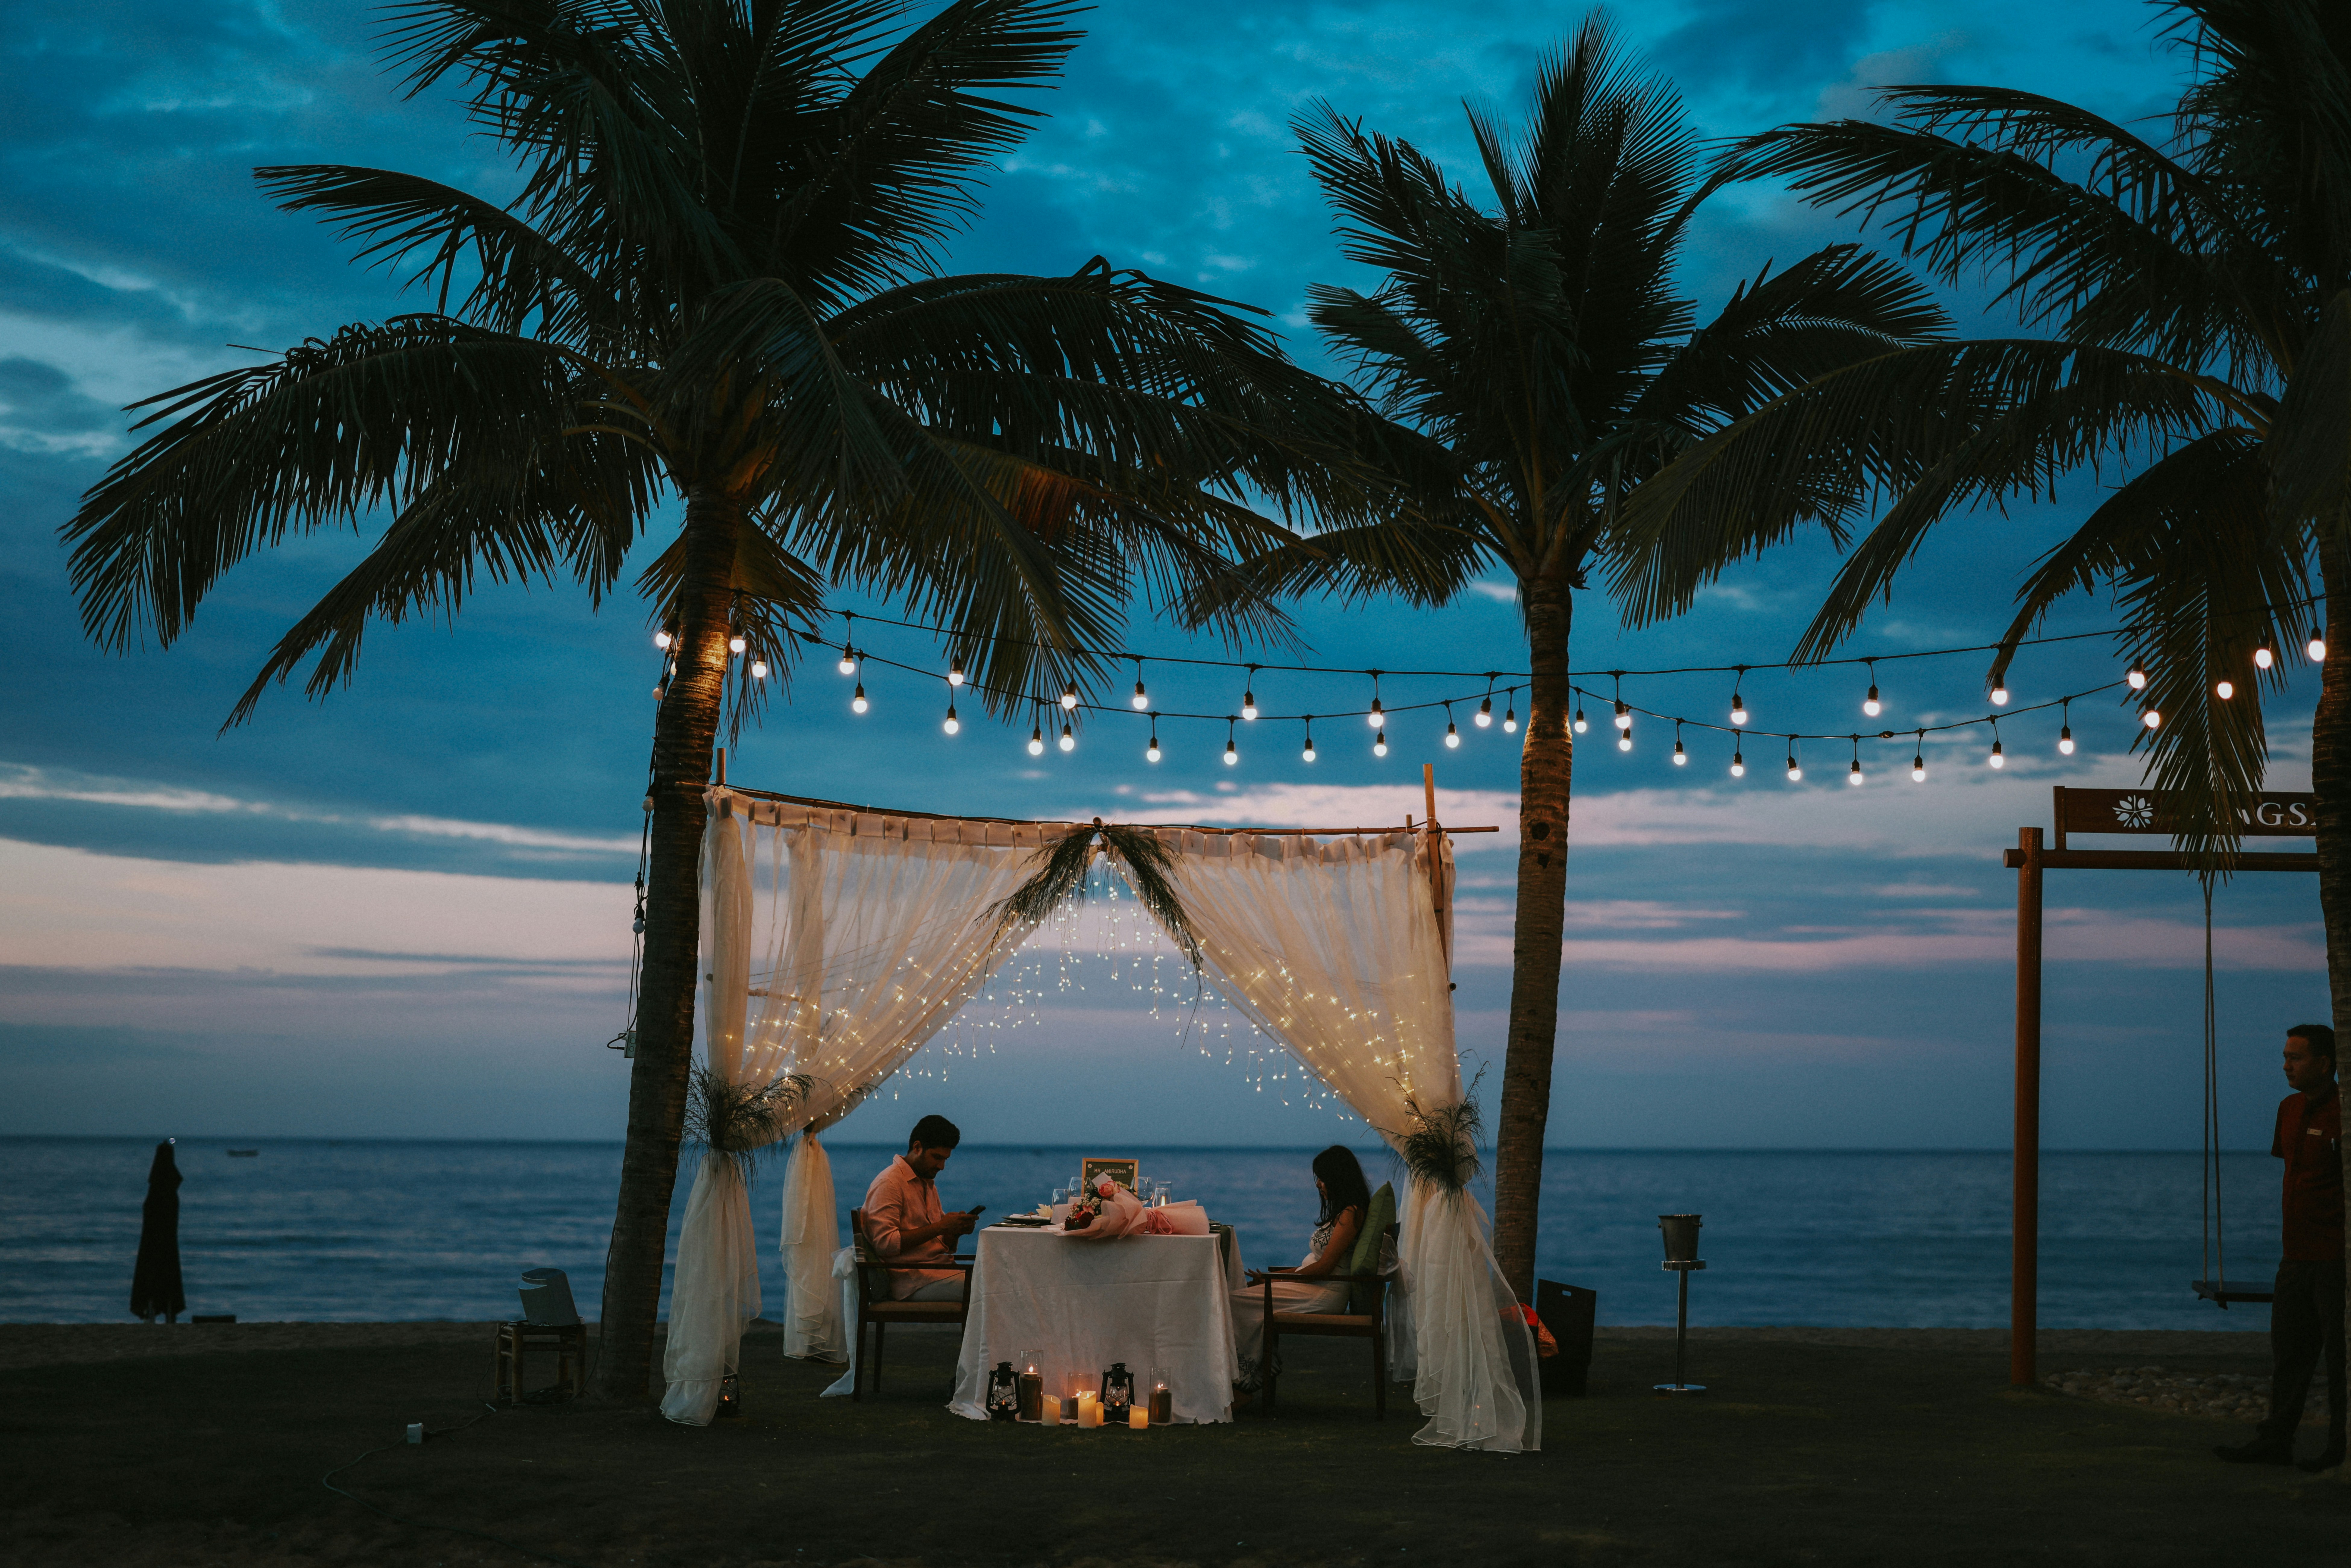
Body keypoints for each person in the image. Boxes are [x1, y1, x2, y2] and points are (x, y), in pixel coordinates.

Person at [2217, 1024, 2344, 1472]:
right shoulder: (2288, 1109)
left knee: (2340, 1355)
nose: (2286, 1064)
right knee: (2289, 1352)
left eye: (2297, 1057)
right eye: (2285, 1056)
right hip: (2295, 1253)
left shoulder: (2343, 1110)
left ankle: (2339, 1447)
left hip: (2335, 1256)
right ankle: (2276, 1440)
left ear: (2325, 1063)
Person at [1230, 1145, 1388, 1396]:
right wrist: (1272, 1279)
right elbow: (1314, 1264)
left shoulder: (1351, 1213)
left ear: (1338, 1178)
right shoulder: (1342, 1212)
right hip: (1314, 1285)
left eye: (1322, 1179)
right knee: (1242, 1298)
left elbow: (1325, 1267)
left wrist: (1276, 1278)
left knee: (1234, 1302)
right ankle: (1260, 1363)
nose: (1318, 1185)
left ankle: (1246, 1376)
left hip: (1325, 1292)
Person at [860, 1114, 980, 1302]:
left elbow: (937, 1242)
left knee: (1000, 1282)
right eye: (937, 1158)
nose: (942, 1166)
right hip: (909, 1281)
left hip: (938, 1271)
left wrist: (955, 1231)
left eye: (946, 1160)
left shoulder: (926, 1183)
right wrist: (941, 1227)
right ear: (917, 1148)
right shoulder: (890, 1183)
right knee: (992, 1290)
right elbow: (885, 1244)